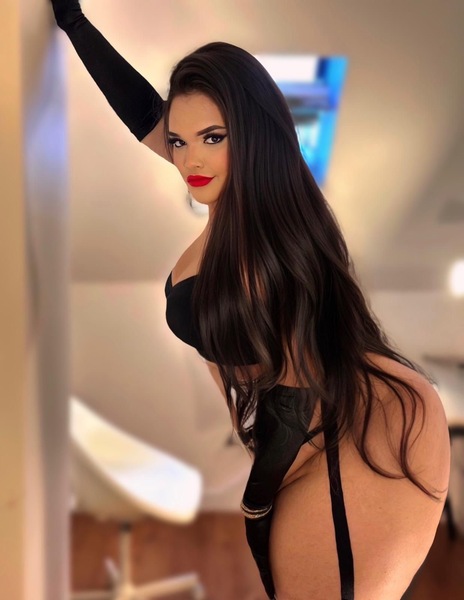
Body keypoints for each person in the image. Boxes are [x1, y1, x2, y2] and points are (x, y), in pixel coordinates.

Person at [49, 2, 451, 598]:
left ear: (252, 135)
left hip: (350, 430)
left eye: (212, 138)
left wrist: (257, 501)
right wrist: (75, 24)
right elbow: (141, 111)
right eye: (180, 141)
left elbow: (298, 388)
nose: (188, 160)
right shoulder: (223, 191)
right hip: (302, 433)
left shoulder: (271, 241)